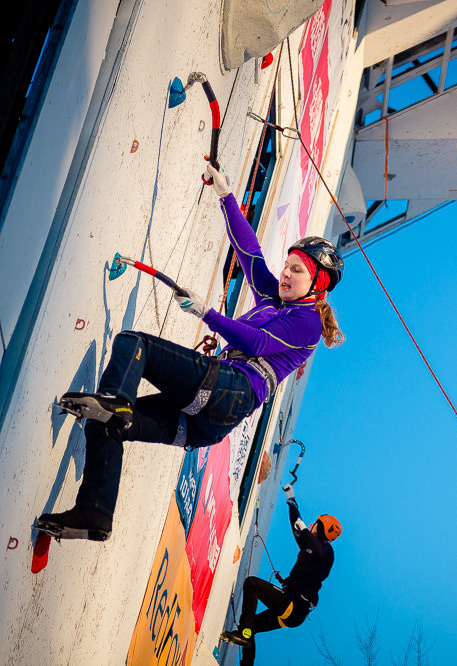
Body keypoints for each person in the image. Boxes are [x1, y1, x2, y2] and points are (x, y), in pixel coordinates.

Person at [38, 163, 344, 541]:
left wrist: (207, 314)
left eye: (296, 270)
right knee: (111, 422)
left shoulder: (308, 321)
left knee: (134, 345)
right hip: (212, 421)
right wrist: (225, 196)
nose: (285, 273)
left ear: (318, 282)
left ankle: (115, 402)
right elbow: (249, 252)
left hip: (232, 390)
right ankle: (94, 513)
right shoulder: (275, 296)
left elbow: (257, 343)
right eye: (286, 265)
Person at [221, 484, 339, 665]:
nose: (310, 524)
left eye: (314, 523)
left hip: (294, 606)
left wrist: (305, 531)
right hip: (291, 610)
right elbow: (297, 527)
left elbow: (314, 546)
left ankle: (244, 634)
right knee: (251, 626)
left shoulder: (326, 552)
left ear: (322, 528)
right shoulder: (309, 546)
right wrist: (291, 501)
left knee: (252, 584)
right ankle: (247, 661)